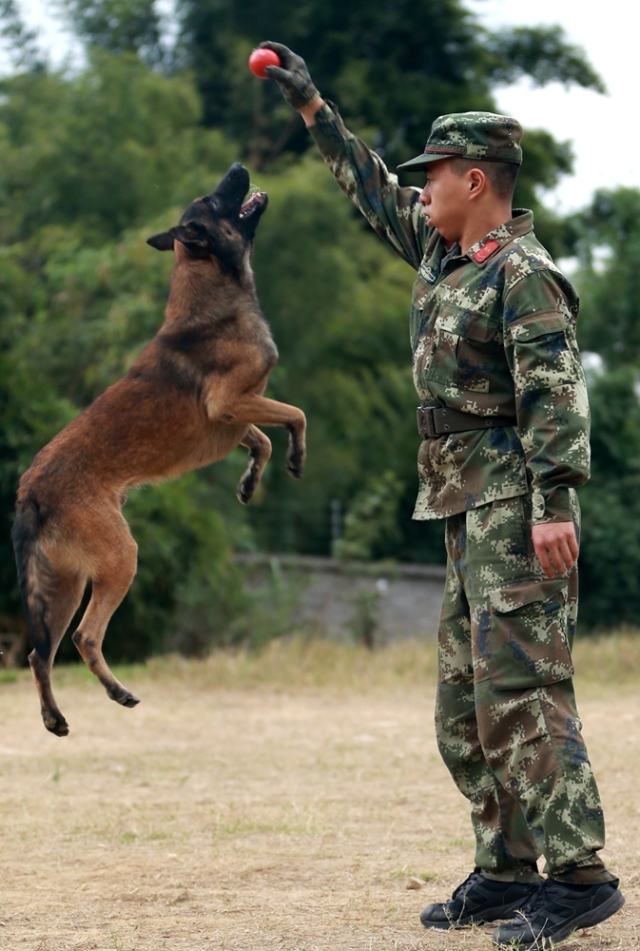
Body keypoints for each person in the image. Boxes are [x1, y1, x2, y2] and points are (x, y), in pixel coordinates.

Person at [258, 41, 625, 948]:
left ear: (476, 177)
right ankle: (504, 869)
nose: (420, 189)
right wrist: (312, 107)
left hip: (513, 504)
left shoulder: (522, 273)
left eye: (435, 176)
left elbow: (554, 396)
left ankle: (580, 876)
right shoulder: (447, 252)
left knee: (524, 689)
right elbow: (373, 189)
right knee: (466, 701)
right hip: (460, 502)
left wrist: (555, 505)